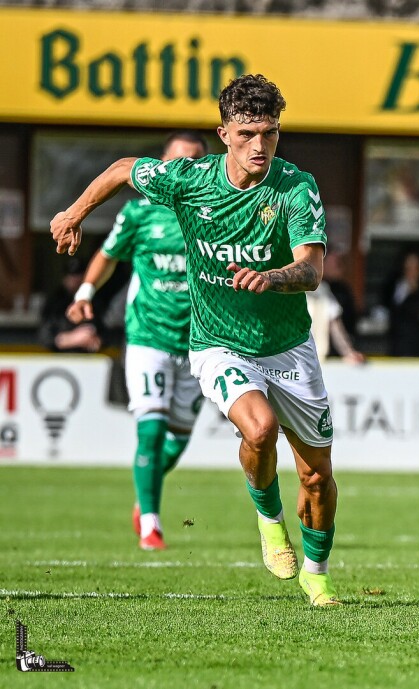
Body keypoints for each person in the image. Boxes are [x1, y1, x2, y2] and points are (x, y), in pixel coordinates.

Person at [51, 74, 342, 607]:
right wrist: (74, 214)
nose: (261, 146)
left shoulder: (296, 187)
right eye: (248, 133)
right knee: (260, 429)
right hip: (217, 343)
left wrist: (273, 277)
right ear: (224, 133)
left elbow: (312, 268)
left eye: (271, 133)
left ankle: (317, 574)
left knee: (318, 478)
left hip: (288, 346)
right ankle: (270, 521)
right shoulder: (190, 179)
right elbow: (121, 170)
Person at [65, 131, 209, 551]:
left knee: (179, 438)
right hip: (147, 335)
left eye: (194, 163)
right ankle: (151, 522)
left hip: (200, 342)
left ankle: (143, 494)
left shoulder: (214, 213)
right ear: (161, 166)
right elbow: (108, 255)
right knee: (150, 430)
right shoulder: (139, 214)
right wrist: (85, 293)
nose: (184, 171)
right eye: (177, 162)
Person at [40, 258, 104, 354]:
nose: (75, 280)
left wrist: (95, 340)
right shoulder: (54, 302)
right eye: (72, 276)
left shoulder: (96, 301)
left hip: (90, 360)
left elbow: (107, 333)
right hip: (60, 360)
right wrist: (74, 339)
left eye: (79, 275)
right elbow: (45, 338)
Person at [382, 251, 419, 357]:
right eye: (408, 267)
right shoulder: (394, 286)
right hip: (398, 345)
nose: (412, 271)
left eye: (415, 267)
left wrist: (416, 293)